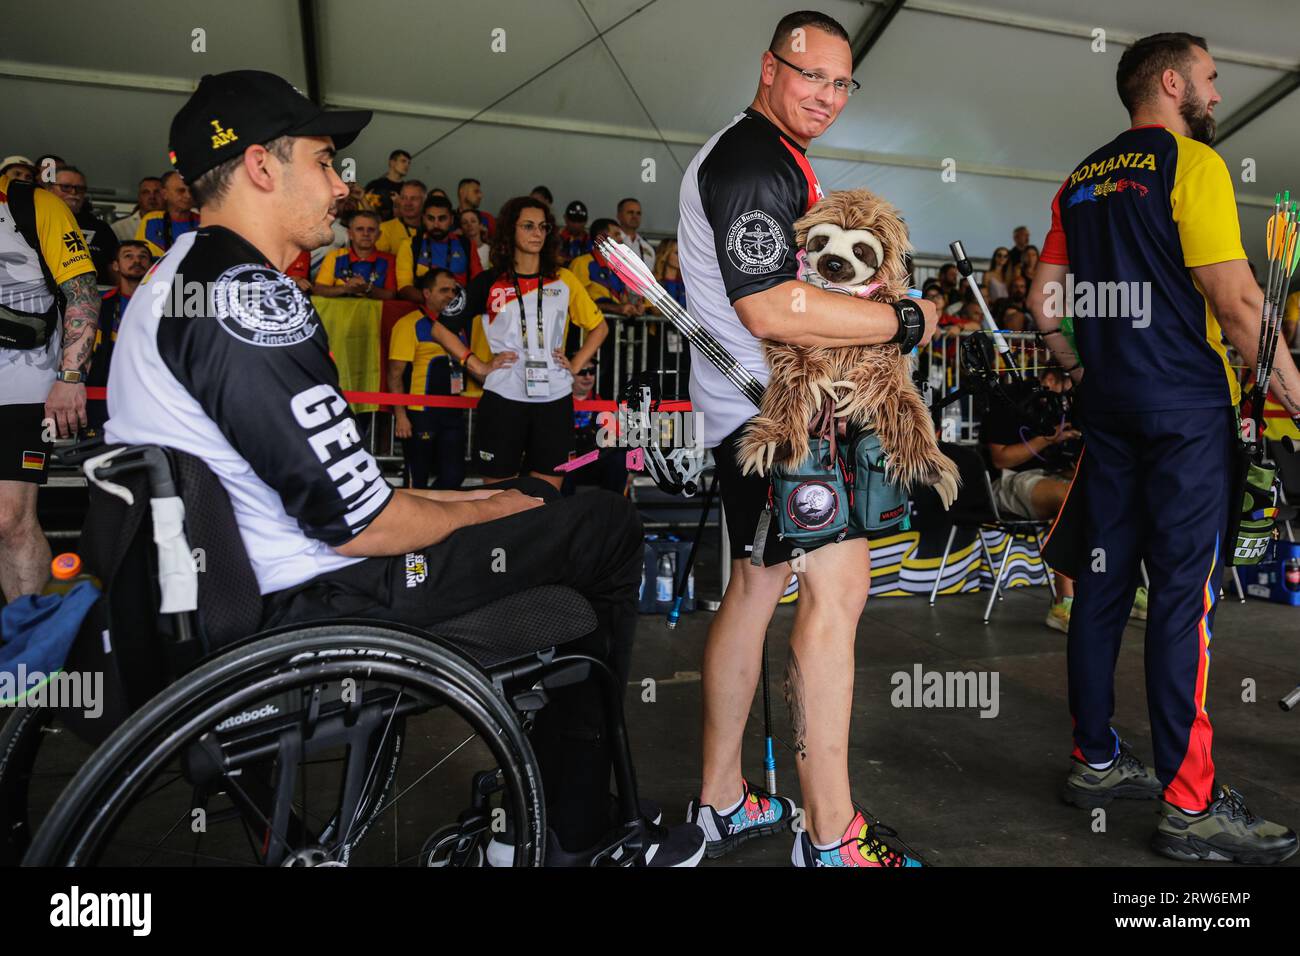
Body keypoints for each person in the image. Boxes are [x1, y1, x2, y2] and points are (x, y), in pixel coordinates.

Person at [103, 70, 702, 867]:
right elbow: (363, 524)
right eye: (322, 161)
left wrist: (478, 495)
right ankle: (576, 832)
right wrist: (495, 513)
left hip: (244, 591)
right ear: (259, 167)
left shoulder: (176, 281)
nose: (341, 186)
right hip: (314, 605)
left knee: (535, 516)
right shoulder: (244, 298)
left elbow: (323, 487)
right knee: (607, 527)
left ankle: (541, 803)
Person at [1028, 32, 1300, 864]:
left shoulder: (1080, 180)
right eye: (1212, 81)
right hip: (1184, 411)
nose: (1217, 97)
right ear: (1173, 82)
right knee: (1184, 600)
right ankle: (1190, 806)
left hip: (1110, 412)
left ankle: (1098, 759)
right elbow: (1240, 298)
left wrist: (1083, 369)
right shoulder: (1194, 165)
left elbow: (1046, 305)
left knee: (1102, 589)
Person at [676, 10, 938, 867]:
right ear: (768, 68)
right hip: (779, 422)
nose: (825, 95)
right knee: (839, 592)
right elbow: (770, 306)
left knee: (754, 591)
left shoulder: (771, 155)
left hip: (761, 413)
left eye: (839, 82)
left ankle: (719, 800)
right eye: (809, 75)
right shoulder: (752, 160)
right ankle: (831, 836)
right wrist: (898, 320)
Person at [439, 197, 610, 493]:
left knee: (547, 497)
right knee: (499, 498)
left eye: (543, 227)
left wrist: (576, 365)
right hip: (504, 394)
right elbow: (441, 329)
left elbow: (599, 327)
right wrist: (476, 364)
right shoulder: (489, 281)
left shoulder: (564, 279)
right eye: (528, 226)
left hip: (554, 397)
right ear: (509, 231)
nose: (537, 233)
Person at [0, 164, 99, 600]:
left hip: (22, 379)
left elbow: (82, 290)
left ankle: (27, 640)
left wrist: (71, 376)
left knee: (9, 519)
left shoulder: (32, 203)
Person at [977, 367, 1084, 631]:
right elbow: (1001, 459)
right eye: (1064, 385)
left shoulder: (1063, 405)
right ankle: (1064, 602)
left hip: (1048, 477)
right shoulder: (1008, 401)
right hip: (1007, 482)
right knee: (1072, 500)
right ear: (1049, 379)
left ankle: (1131, 588)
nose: (1067, 394)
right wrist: (1046, 440)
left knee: (1110, 493)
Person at [389, 268, 487, 490]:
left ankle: (433, 515)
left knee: (455, 476)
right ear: (426, 293)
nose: (451, 296)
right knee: (417, 479)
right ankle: (415, 522)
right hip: (420, 415)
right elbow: (394, 375)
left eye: (454, 291)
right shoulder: (409, 324)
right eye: (444, 290)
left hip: (453, 414)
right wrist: (401, 416)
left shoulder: (458, 327)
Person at [86, 240, 151, 434]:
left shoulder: (163, 306)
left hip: (147, 397)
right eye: (128, 255)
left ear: (151, 265)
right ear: (115, 265)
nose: (136, 261)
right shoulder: (99, 304)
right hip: (100, 395)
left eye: (143, 257)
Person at [563, 360, 628, 497]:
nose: (588, 377)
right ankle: (563, 514)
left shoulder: (600, 404)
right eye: (582, 372)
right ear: (569, 374)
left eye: (591, 372)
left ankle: (611, 508)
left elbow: (617, 438)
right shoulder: (558, 403)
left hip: (594, 463)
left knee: (619, 457)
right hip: (567, 464)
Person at [396, 194, 477, 299]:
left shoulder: (466, 244)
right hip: (423, 309)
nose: (436, 225)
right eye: (431, 218)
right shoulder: (410, 245)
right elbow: (404, 288)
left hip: (460, 309)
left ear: (452, 219)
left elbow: (477, 283)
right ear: (424, 219)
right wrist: (434, 302)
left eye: (442, 219)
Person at [50, 165, 118, 283]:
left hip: (93, 296)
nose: (74, 192)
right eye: (65, 187)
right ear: (49, 189)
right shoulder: (35, 222)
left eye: (80, 189)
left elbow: (114, 270)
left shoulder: (101, 228)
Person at [312, 209, 396, 299]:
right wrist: (345, 289)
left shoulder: (390, 260)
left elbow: (391, 295)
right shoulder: (334, 256)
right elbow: (319, 290)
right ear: (350, 234)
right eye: (360, 229)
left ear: (379, 235)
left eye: (371, 230)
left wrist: (366, 288)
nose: (366, 234)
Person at [136, 170, 198, 257]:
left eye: (191, 191)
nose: (188, 195)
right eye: (181, 191)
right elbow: (142, 255)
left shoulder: (203, 221)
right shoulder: (151, 220)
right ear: (164, 194)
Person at [375, 179, 426, 254]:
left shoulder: (433, 228)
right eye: (403, 198)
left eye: (413, 198)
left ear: (424, 202)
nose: (408, 203)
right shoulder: (384, 229)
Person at [112, 175, 165, 241]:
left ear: (165, 196)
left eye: (157, 192)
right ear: (139, 197)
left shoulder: (175, 226)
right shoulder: (119, 228)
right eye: (146, 192)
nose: (152, 197)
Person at [363, 148, 410, 220]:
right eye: (403, 161)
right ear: (392, 162)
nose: (407, 165)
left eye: (409, 163)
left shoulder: (408, 189)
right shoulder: (376, 185)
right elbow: (370, 211)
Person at [616, 197, 655, 268]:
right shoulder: (611, 241)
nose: (635, 216)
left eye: (638, 213)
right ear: (619, 215)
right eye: (630, 212)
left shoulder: (647, 247)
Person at [556, 200, 592, 265]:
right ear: (565, 218)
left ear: (586, 221)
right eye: (573, 220)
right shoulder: (556, 238)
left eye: (580, 221)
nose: (576, 225)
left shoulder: (591, 241)